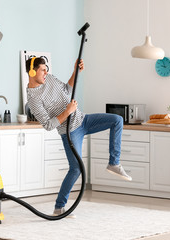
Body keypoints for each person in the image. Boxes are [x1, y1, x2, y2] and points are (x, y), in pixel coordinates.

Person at [26, 57, 132, 217]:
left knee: (117, 120)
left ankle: (114, 163)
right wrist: (67, 112)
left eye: (46, 69)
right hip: (70, 131)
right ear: (32, 71)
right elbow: (48, 125)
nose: (46, 72)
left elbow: (68, 90)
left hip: (83, 120)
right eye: (42, 70)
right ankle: (59, 208)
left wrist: (76, 71)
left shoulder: (50, 79)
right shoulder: (33, 98)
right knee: (76, 169)